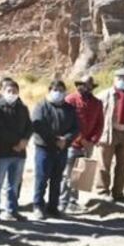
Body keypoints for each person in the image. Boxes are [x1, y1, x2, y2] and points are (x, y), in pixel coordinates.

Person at [0, 77, 33, 221]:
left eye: (15, 91)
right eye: (9, 90)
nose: (12, 93)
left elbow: (29, 126)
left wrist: (25, 140)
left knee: (14, 184)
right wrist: (15, 143)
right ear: (3, 91)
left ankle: (12, 211)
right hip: (1, 152)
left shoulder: (22, 107)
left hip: (19, 154)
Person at [31, 80, 79, 220]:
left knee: (57, 179)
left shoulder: (69, 108)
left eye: (60, 90)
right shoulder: (41, 106)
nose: (58, 92)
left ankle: (53, 207)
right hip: (44, 148)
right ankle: (38, 206)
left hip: (62, 149)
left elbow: (76, 128)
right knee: (41, 178)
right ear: (50, 90)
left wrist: (66, 140)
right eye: (55, 89)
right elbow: (38, 125)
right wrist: (55, 140)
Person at [59, 75, 103, 212]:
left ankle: (73, 201)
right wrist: (80, 139)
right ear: (78, 85)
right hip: (71, 144)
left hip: (88, 145)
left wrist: (93, 141)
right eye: (83, 85)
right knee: (67, 174)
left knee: (79, 175)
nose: (85, 87)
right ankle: (62, 202)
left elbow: (100, 124)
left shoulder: (97, 103)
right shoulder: (70, 100)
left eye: (89, 85)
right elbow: (66, 123)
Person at [96, 69, 124, 202]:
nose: (122, 81)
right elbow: (97, 116)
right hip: (108, 133)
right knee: (104, 164)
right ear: (114, 79)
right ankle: (103, 191)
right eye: (119, 78)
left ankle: (118, 193)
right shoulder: (103, 95)